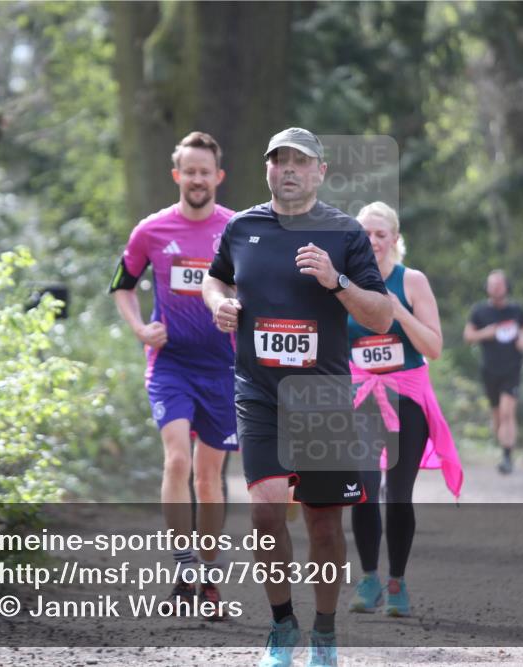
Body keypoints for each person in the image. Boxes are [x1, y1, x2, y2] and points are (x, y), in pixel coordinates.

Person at [203, 127, 392, 667]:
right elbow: (215, 281)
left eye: (299, 162)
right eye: (278, 160)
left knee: (325, 523)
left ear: (320, 172)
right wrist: (220, 303)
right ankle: (283, 626)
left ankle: (325, 634)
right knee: (265, 513)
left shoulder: (346, 233)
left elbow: (379, 317)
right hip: (258, 393)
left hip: (323, 396)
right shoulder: (242, 227)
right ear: (267, 169)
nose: (287, 169)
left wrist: (336, 282)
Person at [109, 131, 237, 618]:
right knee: (177, 461)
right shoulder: (152, 230)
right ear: (176, 174)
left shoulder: (237, 229)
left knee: (209, 479)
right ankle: (184, 564)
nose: (198, 179)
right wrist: (141, 327)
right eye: (190, 170)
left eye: (206, 171)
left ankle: (206, 577)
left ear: (218, 177)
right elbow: (122, 283)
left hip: (224, 368)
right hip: (172, 365)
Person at [346, 202, 463, 618]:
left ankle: (396, 581)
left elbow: (434, 347)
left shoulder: (411, 281)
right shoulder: (344, 284)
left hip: (407, 397)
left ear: (395, 239)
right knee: (360, 489)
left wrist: (397, 311)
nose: (372, 241)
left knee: (396, 495)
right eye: (365, 234)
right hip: (360, 399)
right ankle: (369, 578)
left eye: (381, 234)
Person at [463, 270, 523, 474]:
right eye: (491, 285)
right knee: (497, 416)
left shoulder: (516, 310)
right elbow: (468, 336)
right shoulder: (479, 311)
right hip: (490, 370)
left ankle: (507, 458)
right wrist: (487, 333)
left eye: (499, 284)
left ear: (506, 286)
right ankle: (505, 450)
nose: (495, 288)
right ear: (487, 287)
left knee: (507, 411)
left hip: (512, 368)